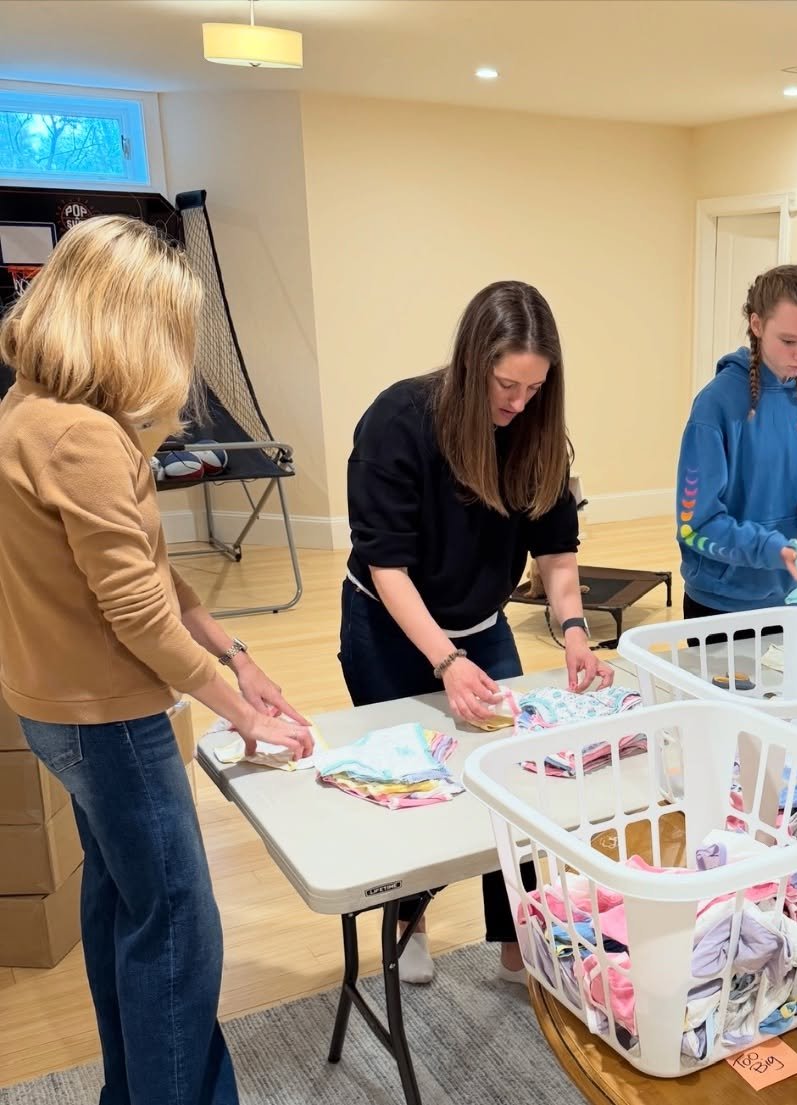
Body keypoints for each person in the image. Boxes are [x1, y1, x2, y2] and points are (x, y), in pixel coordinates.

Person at [0, 215, 313, 1105]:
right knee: (179, 926)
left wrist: (236, 654)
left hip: (53, 707)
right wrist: (240, 709)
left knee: (120, 903)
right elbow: (134, 608)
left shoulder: (29, 408)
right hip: (106, 719)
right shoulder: (84, 437)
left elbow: (145, 571)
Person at [340, 279, 612, 985]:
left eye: (533, 389)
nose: (517, 404)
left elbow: (556, 551)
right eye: (504, 385)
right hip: (389, 625)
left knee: (512, 777)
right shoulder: (398, 420)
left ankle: (518, 938)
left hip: (480, 624)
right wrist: (446, 659)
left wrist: (575, 629)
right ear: (469, 363)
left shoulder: (536, 431)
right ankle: (408, 921)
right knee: (412, 782)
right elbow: (386, 562)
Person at [675, 263, 797, 623]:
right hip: (720, 605)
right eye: (789, 341)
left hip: (789, 601)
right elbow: (695, 526)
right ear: (757, 325)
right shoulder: (715, 405)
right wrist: (774, 550)